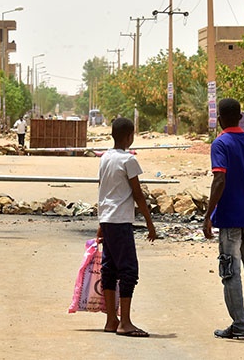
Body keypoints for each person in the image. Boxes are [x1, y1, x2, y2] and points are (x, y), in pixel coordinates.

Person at [203, 98, 244, 340]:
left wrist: (208, 215)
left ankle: (240, 325)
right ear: (240, 117)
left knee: (230, 271)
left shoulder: (220, 144)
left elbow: (219, 179)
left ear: (219, 118)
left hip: (230, 218)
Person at [96, 117, 157, 337]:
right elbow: (138, 194)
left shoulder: (105, 158)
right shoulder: (128, 160)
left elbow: (103, 190)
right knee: (129, 270)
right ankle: (126, 322)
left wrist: (101, 222)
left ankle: (111, 319)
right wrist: (150, 223)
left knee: (110, 269)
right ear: (130, 136)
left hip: (108, 220)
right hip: (121, 221)